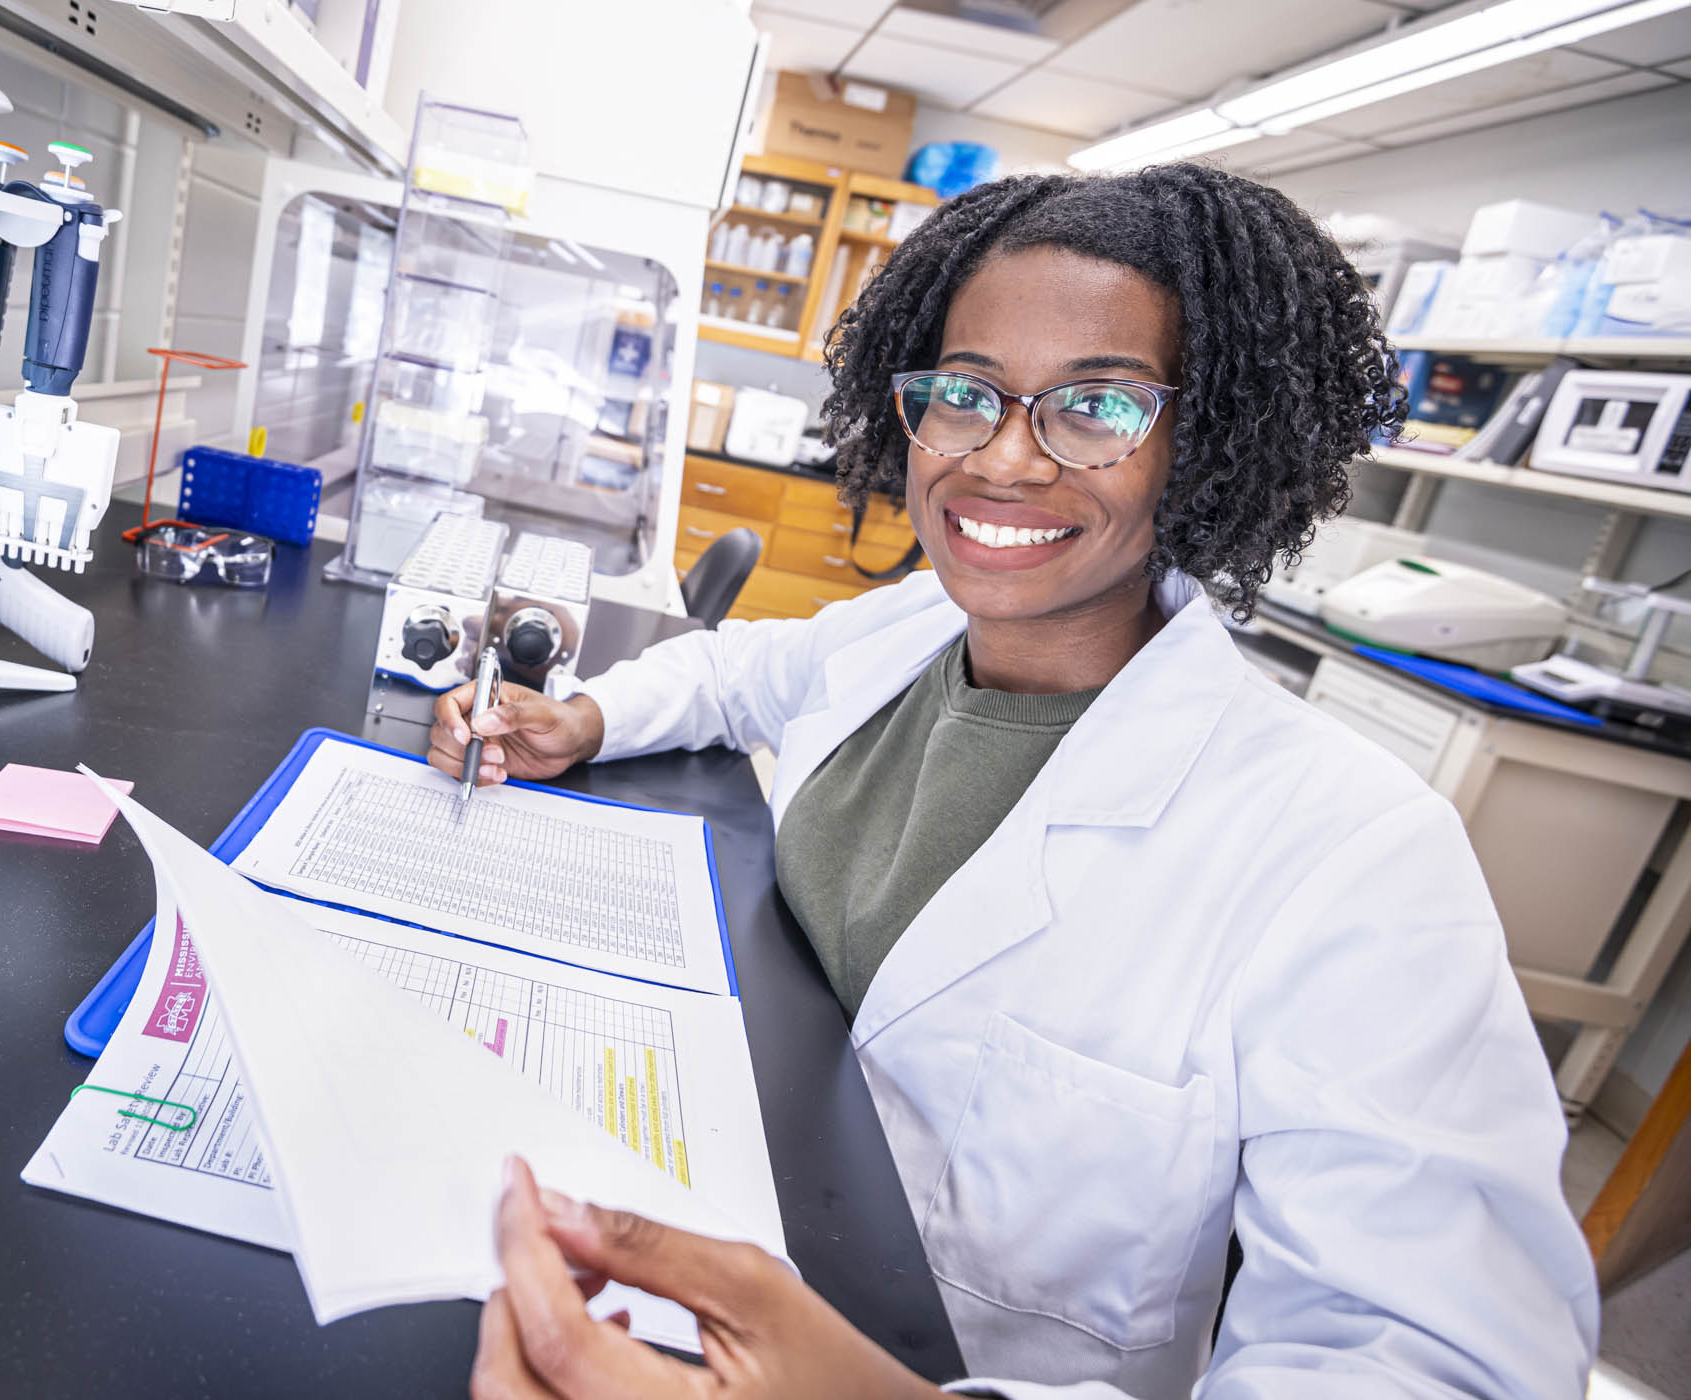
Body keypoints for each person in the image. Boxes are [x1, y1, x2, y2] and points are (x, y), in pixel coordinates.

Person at [439, 165, 1597, 1399]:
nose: (1003, 458)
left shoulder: (1357, 855)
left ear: (1204, 443)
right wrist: (587, 714)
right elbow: (742, 669)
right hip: (702, 1187)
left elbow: (1447, 1367)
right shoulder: (909, 627)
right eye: (965, 392)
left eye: (1095, 406)